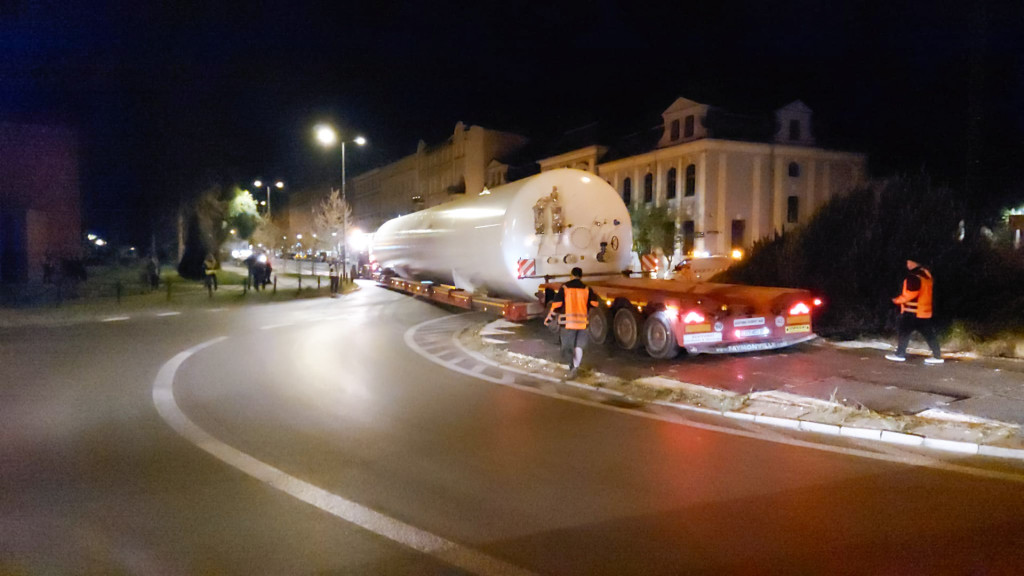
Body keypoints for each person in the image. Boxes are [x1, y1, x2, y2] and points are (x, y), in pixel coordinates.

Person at [544, 267, 601, 379]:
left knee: (567, 347)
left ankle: (571, 368)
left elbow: (556, 305)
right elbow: (595, 304)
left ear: (571, 275)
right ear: (581, 276)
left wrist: (549, 319)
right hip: (583, 324)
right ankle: (575, 367)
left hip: (568, 324)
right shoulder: (587, 289)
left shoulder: (565, 288)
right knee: (578, 346)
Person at [886, 259, 943, 364]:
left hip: (911, 312)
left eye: (909, 262)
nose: (907, 264)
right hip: (924, 312)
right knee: (929, 335)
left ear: (916, 263)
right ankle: (937, 356)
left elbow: (910, 295)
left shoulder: (913, 278)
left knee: (904, 333)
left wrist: (896, 300)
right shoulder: (927, 276)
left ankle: (900, 354)